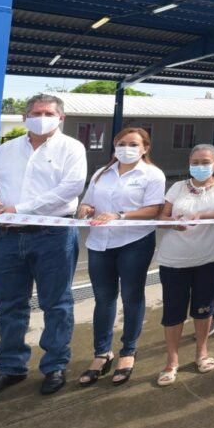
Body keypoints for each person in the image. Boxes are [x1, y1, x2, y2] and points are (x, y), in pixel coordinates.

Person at [0, 94, 86, 400]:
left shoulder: (72, 148)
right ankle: (10, 367)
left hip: (53, 234)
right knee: (9, 305)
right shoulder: (5, 151)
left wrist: (19, 208)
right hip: (8, 237)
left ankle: (55, 365)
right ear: (24, 117)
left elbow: (70, 189)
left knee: (56, 303)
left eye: (48, 113)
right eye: (35, 112)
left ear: (61, 118)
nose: (41, 117)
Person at [76, 127, 165, 387]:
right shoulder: (101, 173)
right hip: (100, 243)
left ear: (145, 148)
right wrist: (85, 208)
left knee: (131, 296)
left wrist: (120, 216)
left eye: (133, 144)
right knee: (103, 299)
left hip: (133, 242)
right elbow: (88, 202)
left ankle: (128, 351)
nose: (127, 148)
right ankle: (102, 353)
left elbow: (154, 209)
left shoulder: (152, 174)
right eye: (121, 143)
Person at [154, 144, 214, 386]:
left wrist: (201, 216)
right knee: (173, 309)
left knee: (204, 306)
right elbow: (161, 217)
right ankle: (171, 360)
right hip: (175, 258)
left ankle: (202, 351)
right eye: (195, 162)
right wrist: (173, 223)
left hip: (211, 256)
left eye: (205, 162)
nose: (200, 166)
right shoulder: (178, 187)